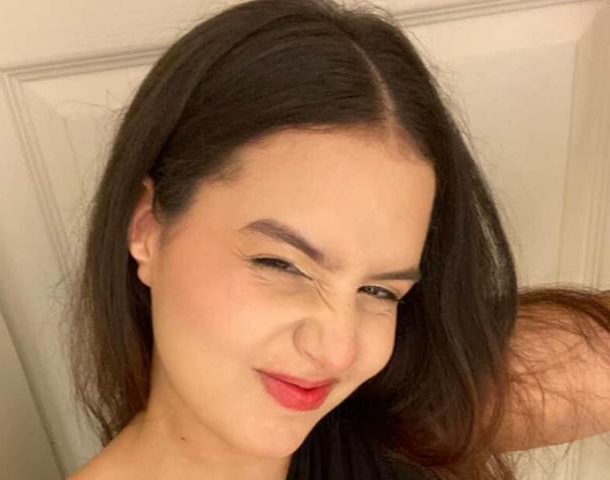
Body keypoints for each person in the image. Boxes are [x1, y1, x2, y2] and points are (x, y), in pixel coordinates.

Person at [65, 0, 610, 478]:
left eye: (379, 291)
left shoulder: (400, 420)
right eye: (282, 264)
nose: (338, 351)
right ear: (146, 226)